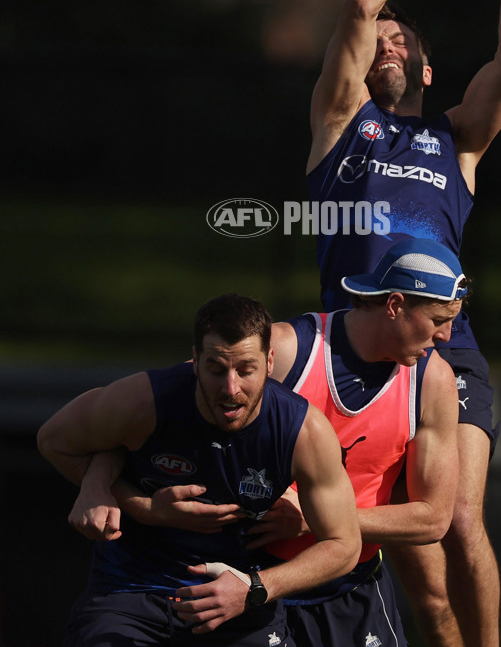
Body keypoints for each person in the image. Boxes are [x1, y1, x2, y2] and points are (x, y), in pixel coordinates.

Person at [306, 0, 501, 647]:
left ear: (431, 70)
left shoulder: (455, 142)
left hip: (444, 348)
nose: (389, 43)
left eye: (405, 42)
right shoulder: (343, 123)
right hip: (358, 358)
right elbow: (365, 0)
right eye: (381, 44)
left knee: (462, 519)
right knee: (424, 589)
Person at [67, 236, 466, 647]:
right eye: (438, 320)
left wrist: (317, 517)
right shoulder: (289, 349)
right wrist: (98, 483)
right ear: (396, 305)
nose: (447, 335)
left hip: (347, 586)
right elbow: (150, 413)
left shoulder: (432, 381)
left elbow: (433, 517)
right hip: (245, 584)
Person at [37, 293, 361, 647]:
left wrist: (255, 588)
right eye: (216, 369)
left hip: (238, 599)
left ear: (270, 362)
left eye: (246, 370)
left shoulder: (303, 431)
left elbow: (344, 545)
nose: (230, 389)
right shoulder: (144, 400)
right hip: (131, 591)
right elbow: (54, 441)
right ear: (195, 360)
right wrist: (131, 503)